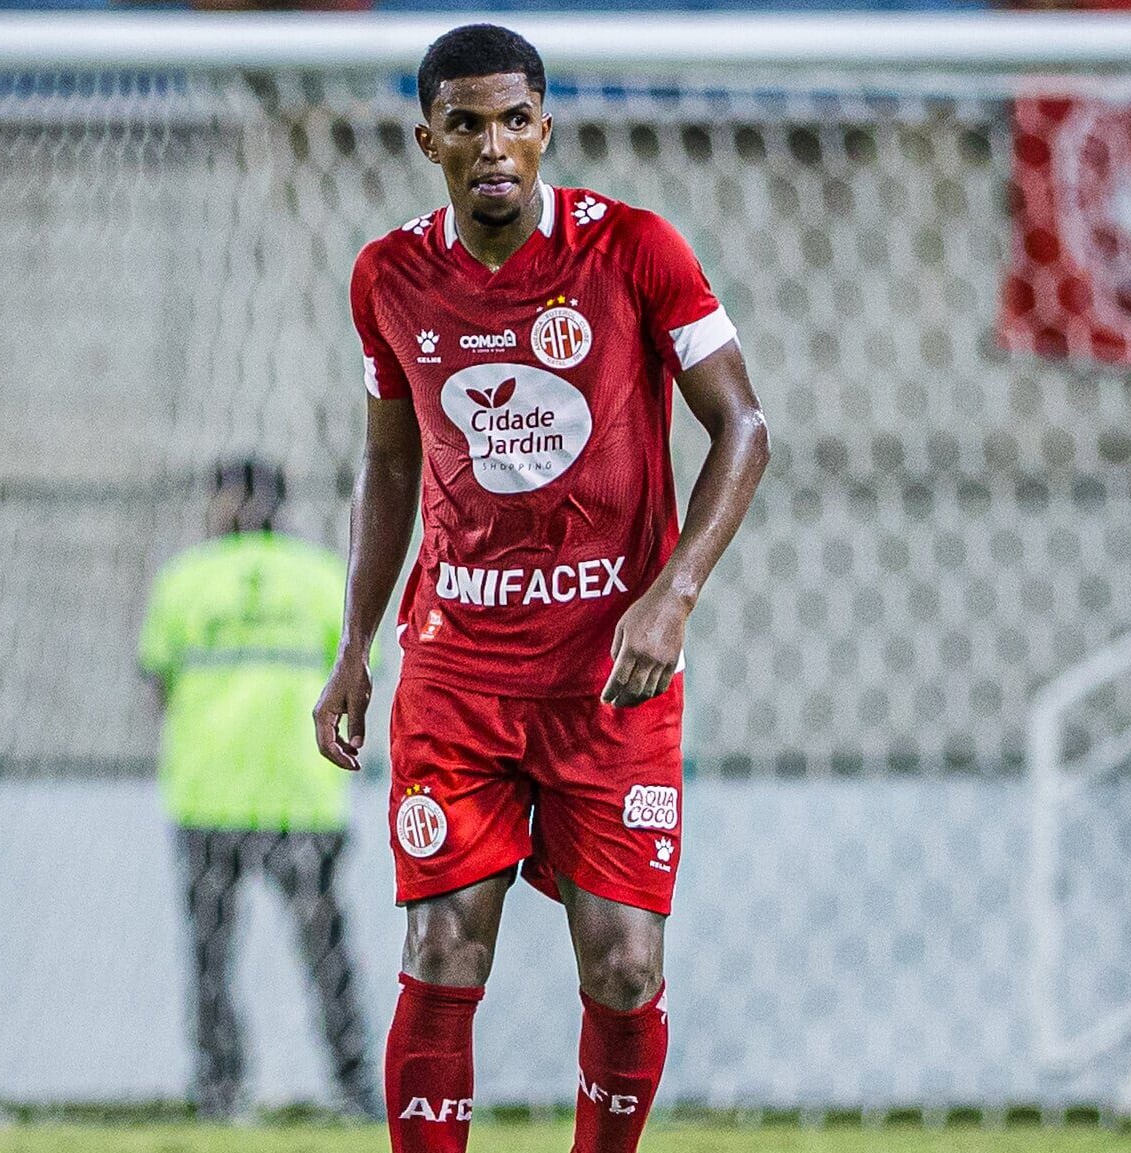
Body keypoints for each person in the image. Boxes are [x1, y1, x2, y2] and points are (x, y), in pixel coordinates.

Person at [312, 23, 769, 1153]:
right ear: (428, 139)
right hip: (457, 671)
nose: (493, 146)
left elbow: (743, 426)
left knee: (622, 965)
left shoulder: (635, 249)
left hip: (605, 684)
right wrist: (353, 646)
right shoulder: (388, 277)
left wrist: (673, 594)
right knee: (440, 949)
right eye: (465, 123)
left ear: (545, 127)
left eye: (515, 119)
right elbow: (387, 464)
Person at [138, 458, 375, 1120]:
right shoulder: (327, 577)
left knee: (212, 956)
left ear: (221, 501)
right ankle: (355, 1086)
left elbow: (158, 681)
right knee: (326, 951)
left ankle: (220, 1091)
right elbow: (361, 678)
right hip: (302, 797)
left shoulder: (185, 578)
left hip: (209, 796)